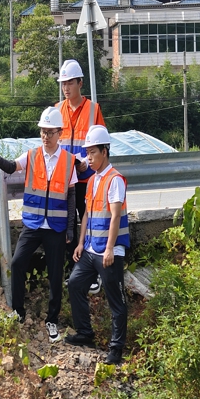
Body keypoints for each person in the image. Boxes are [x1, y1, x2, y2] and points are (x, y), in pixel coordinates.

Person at [0, 107, 77, 343]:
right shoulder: (32, 155)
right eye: (43, 132)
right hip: (33, 224)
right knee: (17, 262)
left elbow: (72, 195)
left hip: (55, 226)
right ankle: (18, 313)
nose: (45, 136)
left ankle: (52, 320)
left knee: (55, 275)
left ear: (59, 133)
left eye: (50, 132)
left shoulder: (68, 161)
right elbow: (11, 167)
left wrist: (70, 228)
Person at [65, 125, 129, 365]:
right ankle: (85, 333)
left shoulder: (115, 180)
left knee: (117, 301)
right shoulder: (92, 181)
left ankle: (116, 349)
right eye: (87, 153)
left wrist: (111, 248)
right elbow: (88, 216)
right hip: (91, 249)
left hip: (109, 252)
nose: (88, 158)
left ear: (105, 151)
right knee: (74, 284)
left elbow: (114, 216)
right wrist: (81, 244)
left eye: (93, 153)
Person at [56, 59, 106, 294]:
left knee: (91, 226)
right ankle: (75, 272)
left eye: (70, 83)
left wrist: (87, 161)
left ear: (80, 83)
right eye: (63, 83)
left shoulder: (93, 110)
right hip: (66, 181)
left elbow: (103, 145)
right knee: (69, 230)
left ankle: (95, 274)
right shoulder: (57, 110)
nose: (66, 88)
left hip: (87, 179)